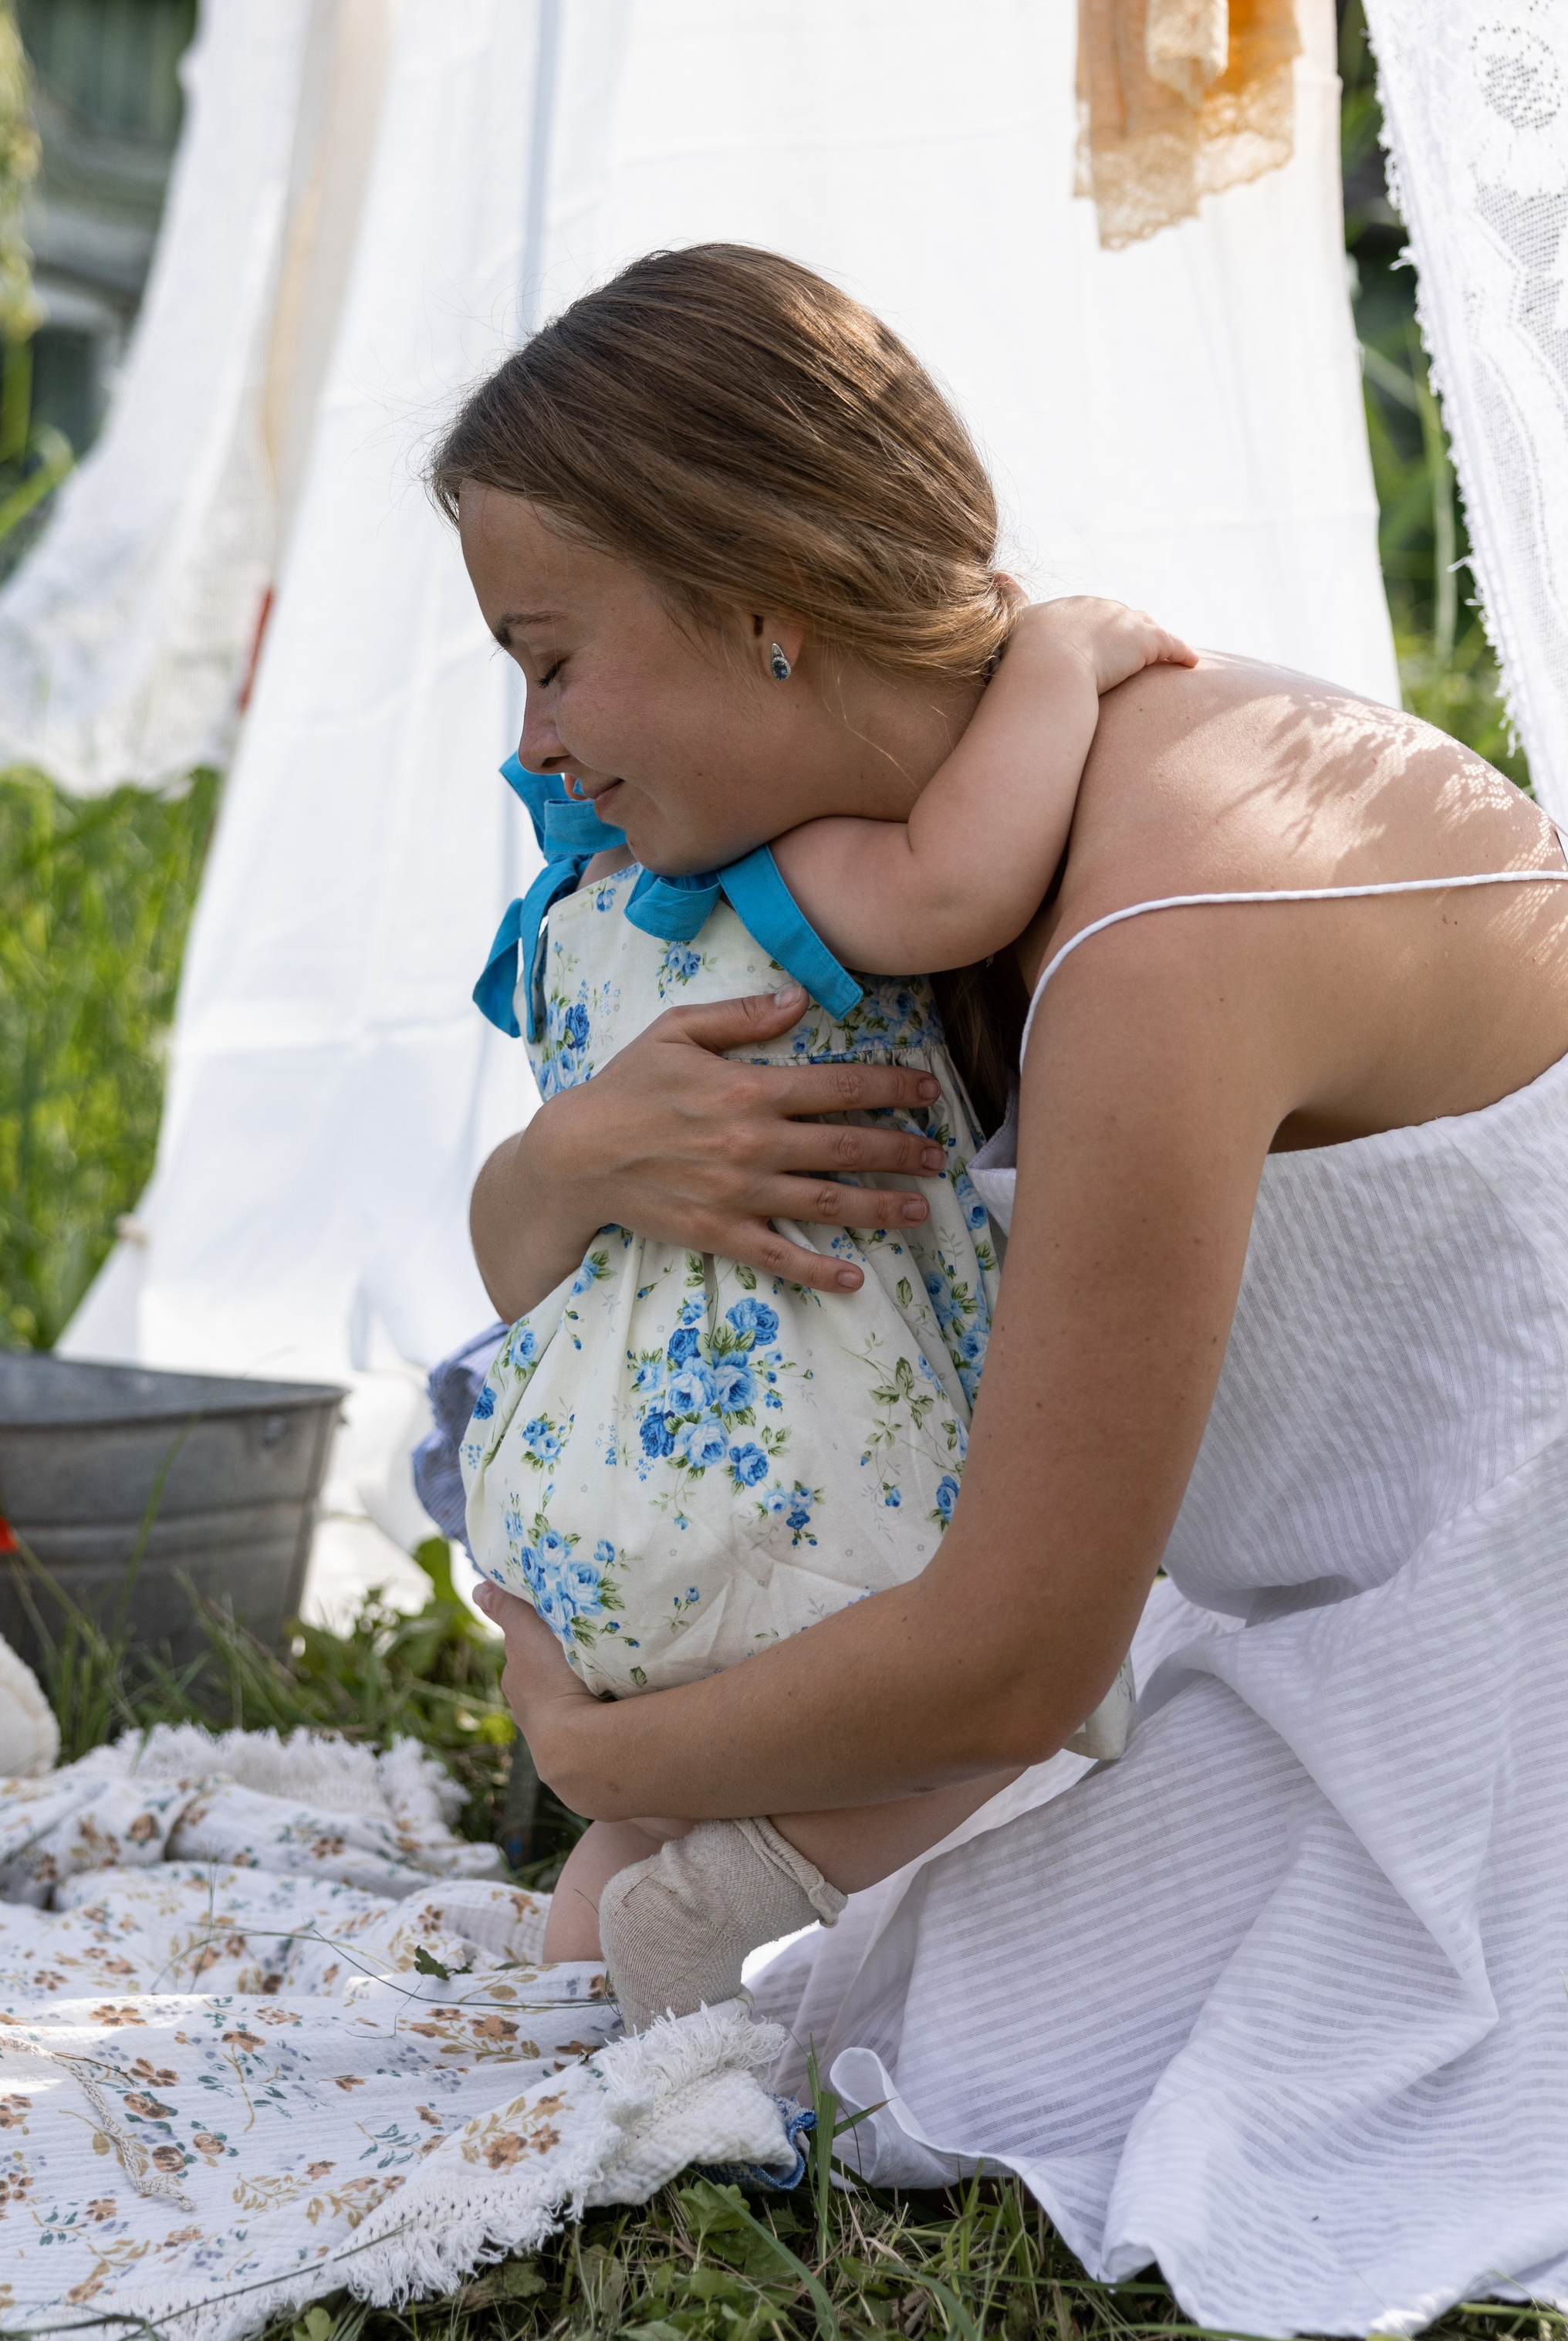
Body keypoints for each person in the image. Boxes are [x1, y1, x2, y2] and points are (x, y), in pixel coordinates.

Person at [437, 245, 1568, 2333]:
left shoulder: (1161, 919)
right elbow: (545, 1286)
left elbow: (1015, 1661)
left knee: (932, 2036)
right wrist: (574, 1159)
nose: (539, 741)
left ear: (763, 598)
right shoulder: (856, 891)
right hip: (1226, 1606)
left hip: (1480, 1670)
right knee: (779, 1976)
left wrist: (611, 1761)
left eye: (552, 659)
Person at [459, 592, 1193, 2005]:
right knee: (1036, 1695)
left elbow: (512, 1268)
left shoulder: (576, 920)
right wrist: (1058, 658)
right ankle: (746, 1889)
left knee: (656, 1808)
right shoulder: (767, 881)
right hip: (787, 1478)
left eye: (555, 670)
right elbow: (961, 884)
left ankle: (594, 2002)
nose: (537, 736)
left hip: (584, 1501)